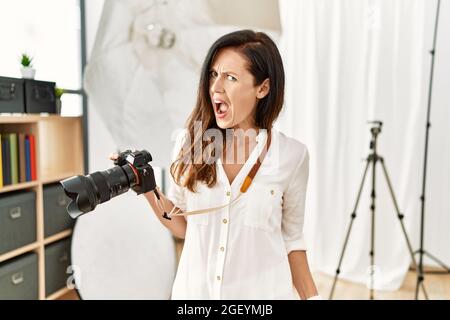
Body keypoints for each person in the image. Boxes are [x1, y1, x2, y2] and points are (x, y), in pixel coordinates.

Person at [111, 30, 320, 300]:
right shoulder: (190, 143)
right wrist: (145, 185)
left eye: (230, 78)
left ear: (263, 88)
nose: (216, 88)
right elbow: (181, 221)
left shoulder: (292, 155)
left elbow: (292, 240)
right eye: (213, 74)